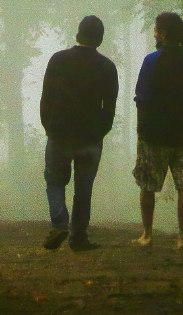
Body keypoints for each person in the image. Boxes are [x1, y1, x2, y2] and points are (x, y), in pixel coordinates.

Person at [39, 15, 118, 251]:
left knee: (54, 180)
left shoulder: (58, 60)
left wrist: (49, 127)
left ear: (77, 35)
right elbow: (109, 108)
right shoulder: (107, 67)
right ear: (100, 39)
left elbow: (46, 99)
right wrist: (99, 132)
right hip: (90, 138)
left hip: (60, 134)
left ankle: (59, 223)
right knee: (84, 189)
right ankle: (78, 237)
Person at [131, 12, 183, 251]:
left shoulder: (151, 61)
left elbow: (142, 98)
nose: (154, 33)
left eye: (155, 29)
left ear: (162, 33)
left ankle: (148, 234)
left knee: (148, 186)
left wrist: (143, 131)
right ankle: (182, 238)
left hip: (154, 136)